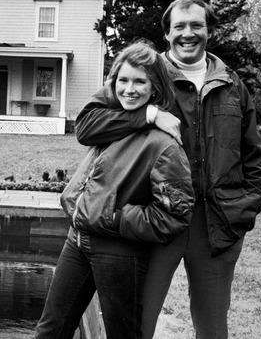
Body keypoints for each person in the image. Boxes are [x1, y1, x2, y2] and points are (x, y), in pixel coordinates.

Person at [74, 0, 261, 339]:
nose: (188, 33)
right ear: (167, 32)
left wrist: (245, 210)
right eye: (179, 26)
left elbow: (254, 155)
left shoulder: (232, 84)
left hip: (217, 226)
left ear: (208, 30)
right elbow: (88, 125)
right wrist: (148, 113)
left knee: (212, 328)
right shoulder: (148, 74)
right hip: (156, 222)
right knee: (138, 325)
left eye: (196, 25)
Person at [34, 42, 195, 339]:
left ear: (155, 88)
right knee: (50, 331)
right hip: (78, 241)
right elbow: (85, 126)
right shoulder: (114, 121)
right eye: (123, 80)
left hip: (119, 251)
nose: (129, 89)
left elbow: (174, 216)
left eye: (139, 81)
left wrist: (117, 219)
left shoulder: (165, 145)